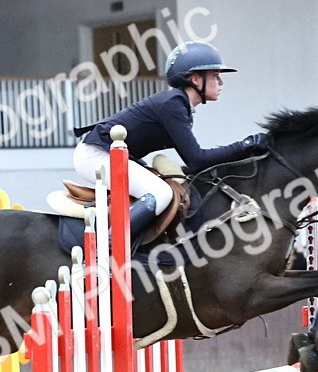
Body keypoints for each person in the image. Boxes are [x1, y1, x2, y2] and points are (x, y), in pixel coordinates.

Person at [74, 40, 273, 242]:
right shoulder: (173, 104)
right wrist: (246, 146)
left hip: (112, 154)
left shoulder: (179, 105)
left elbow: (196, 163)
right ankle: (109, 244)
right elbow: (197, 160)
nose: (221, 83)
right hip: (95, 155)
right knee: (160, 193)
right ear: (196, 79)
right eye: (215, 76)